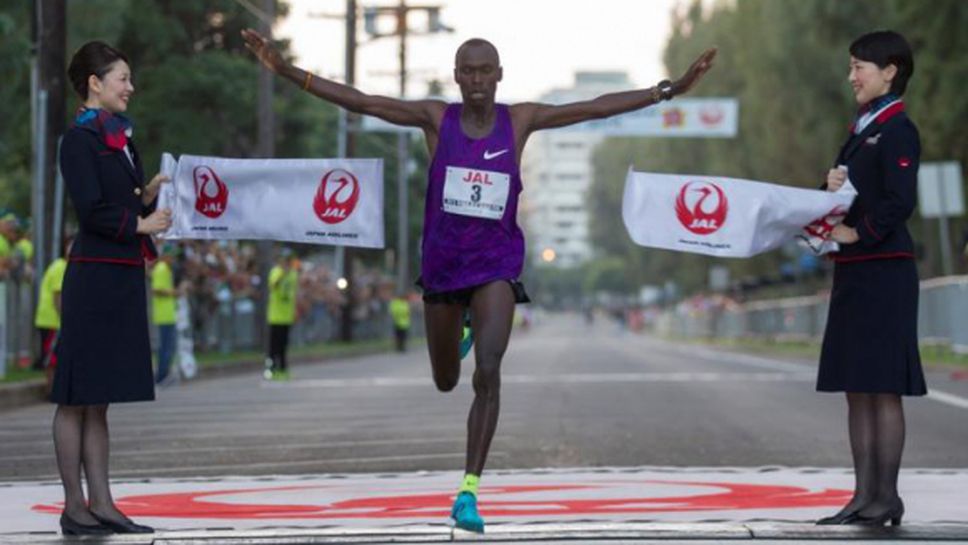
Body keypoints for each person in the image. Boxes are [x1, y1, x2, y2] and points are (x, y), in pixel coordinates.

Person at [242, 28, 715, 532]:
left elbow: (595, 108)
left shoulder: (520, 121)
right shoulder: (434, 118)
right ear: (456, 77)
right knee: (446, 380)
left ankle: (468, 490)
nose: (476, 80)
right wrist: (287, 70)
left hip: (496, 264)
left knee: (488, 370)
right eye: (467, 71)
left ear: (499, 75)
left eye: (485, 70)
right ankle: (461, 324)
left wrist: (668, 89)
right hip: (444, 269)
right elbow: (362, 101)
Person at [50, 41, 171, 536]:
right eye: (122, 78)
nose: (131, 87)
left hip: (119, 274)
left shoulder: (120, 139)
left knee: (99, 398)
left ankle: (103, 502)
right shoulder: (79, 140)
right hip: (94, 276)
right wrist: (140, 225)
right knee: (76, 394)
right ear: (95, 83)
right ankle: (73, 505)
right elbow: (91, 209)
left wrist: (148, 195)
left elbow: (120, 202)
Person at [817, 30, 926, 527]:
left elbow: (899, 202)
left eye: (859, 66)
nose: (851, 76)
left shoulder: (898, 128)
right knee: (856, 387)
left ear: (890, 71)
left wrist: (858, 233)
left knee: (882, 388)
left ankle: (887, 496)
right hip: (854, 273)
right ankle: (863, 497)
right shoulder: (861, 128)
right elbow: (852, 194)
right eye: (852, 65)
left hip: (884, 271)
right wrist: (828, 184)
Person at [32, 237, 71, 382]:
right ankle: (51, 389)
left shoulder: (62, 266)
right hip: (52, 320)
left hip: (51, 319)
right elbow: (58, 297)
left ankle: (54, 388)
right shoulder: (60, 267)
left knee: (55, 356)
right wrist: (65, 318)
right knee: (51, 357)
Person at [265, 248, 298, 381]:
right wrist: (282, 274)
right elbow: (273, 285)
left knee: (284, 345)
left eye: (289, 260)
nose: (287, 263)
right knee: (274, 345)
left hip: (287, 315)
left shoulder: (294, 274)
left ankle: (283, 369)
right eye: (285, 260)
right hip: (275, 315)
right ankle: (271, 369)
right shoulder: (275, 272)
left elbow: (293, 293)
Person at [151, 247, 179, 386]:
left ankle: (164, 374)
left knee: (169, 346)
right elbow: (156, 289)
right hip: (163, 314)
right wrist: (174, 292)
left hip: (168, 313)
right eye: (172, 256)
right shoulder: (161, 268)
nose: (173, 259)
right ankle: (161, 376)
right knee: (165, 347)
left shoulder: (166, 269)